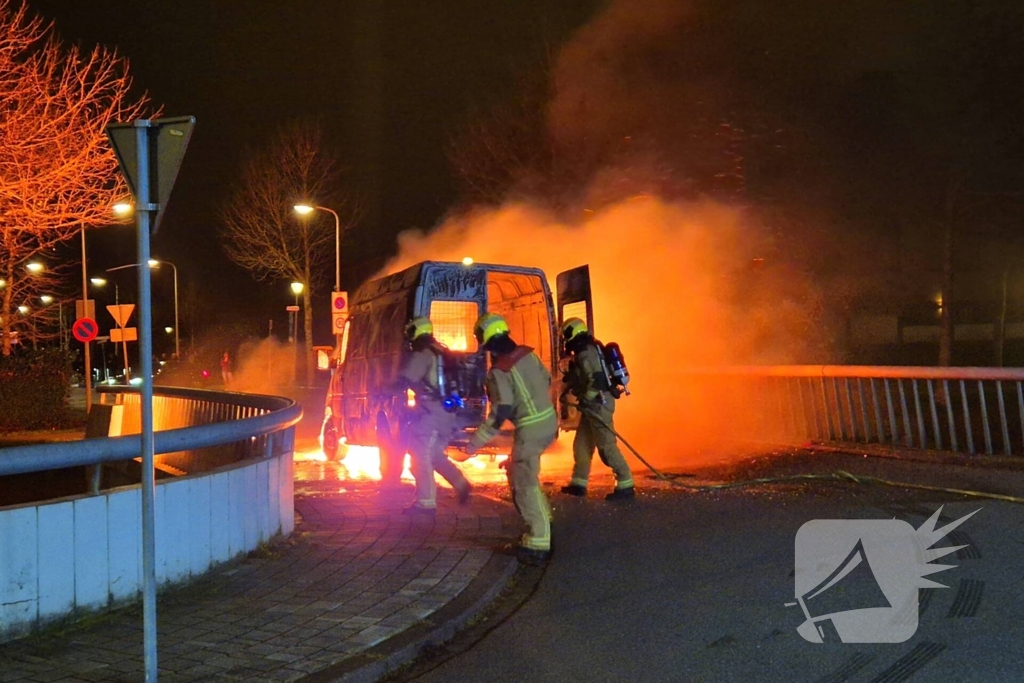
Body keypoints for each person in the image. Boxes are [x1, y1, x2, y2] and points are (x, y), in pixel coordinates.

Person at [464, 312, 558, 565]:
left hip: (530, 429)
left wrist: (475, 443)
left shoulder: (498, 372)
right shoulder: (529, 354)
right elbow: (547, 379)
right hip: (549, 421)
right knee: (522, 472)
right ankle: (544, 520)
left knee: (523, 483)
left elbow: (500, 410)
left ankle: (538, 542)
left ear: (485, 339)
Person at [396, 317, 472, 515]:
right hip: (449, 413)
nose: (409, 338)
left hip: (431, 414)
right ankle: (460, 482)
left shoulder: (423, 355)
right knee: (436, 455)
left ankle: (426, 502)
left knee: (419, 455)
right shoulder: (442, 353)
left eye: (410, 332)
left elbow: (406, 379)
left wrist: (384, 390)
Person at [559, 317, 635, 501]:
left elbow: (598, 380)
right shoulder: (584, 351)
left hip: (600, 404)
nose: (565, 340)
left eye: (566, 335)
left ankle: (626, 483)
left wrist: (585, 397)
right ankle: (579, 483)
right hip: (592, 406)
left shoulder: (586, 353)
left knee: (606, 447)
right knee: (582, 445)